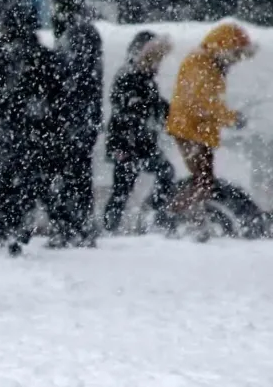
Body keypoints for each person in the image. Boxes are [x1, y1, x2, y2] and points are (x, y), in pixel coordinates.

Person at [0, 2, 67, 256]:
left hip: (1, 131)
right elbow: (57, 98)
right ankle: (16, 227)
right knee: (25, 184)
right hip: (32, 132)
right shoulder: (42, 55)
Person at [165, 23, 255, 242]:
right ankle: (173, 216)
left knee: (203, 181)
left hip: (197, 130)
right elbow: (203, 102)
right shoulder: (201, 63)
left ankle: (192, 220)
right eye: (236, 54)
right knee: (203, 181)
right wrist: (231, 118)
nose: (236, 60)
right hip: (191, 130)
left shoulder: (210, 62)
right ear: (224, 47)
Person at [103, 31, 175, 233]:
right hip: (126, 144)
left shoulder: (145, 78)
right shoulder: (127, 75)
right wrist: (148, 108)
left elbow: (156, 107)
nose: (158, 65)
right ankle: (113, 226)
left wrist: (172, 114)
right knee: (123, 188)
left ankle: (153, 213)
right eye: (156, 59)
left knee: (163, 173)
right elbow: (128, 108)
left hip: (141, 143)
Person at [52, 1, 103, 248]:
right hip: (83, 120)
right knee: (80, 175)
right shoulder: (89, 37)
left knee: (70, 175)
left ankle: (70, 227)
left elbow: (70, 78)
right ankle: (80, 226)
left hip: (73, 121)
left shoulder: (75, 38)